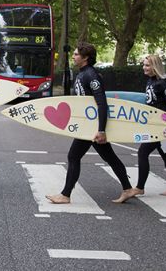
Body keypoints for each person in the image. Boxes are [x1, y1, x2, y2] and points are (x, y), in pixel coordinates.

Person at [46, 41, 135, 204]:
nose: (73, 56)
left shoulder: (91, 76)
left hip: (92, 127)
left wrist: (101, 130)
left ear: (85, 57)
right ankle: (128, 188)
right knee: (109, 157)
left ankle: (65, 195)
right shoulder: (82, 74)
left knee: (73, 156)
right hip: (88, 125)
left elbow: (102, 103)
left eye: (76, 54)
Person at [130, 54, 166, 197]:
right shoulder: (150, 82)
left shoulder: (163, 83)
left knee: (143, 152)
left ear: (155, 66)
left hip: (161, 126)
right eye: (144, 65)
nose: (144, 68)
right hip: (154, 125)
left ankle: (140, 187)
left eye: (147, 65)